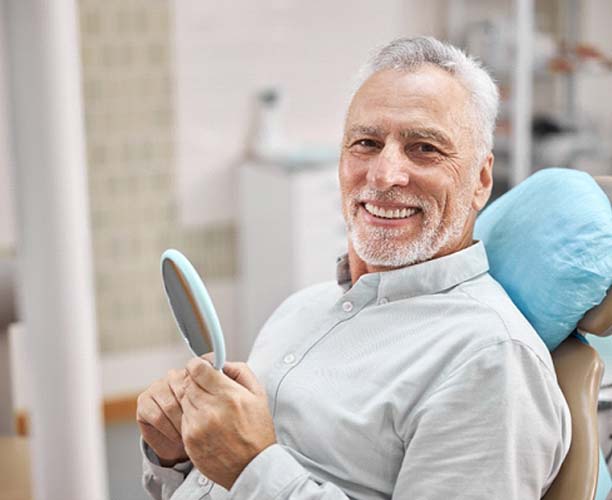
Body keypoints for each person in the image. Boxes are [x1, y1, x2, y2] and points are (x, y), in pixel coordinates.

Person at [137, 36, 571, 500]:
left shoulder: (490, 360)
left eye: (424, 148)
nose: (384, 175)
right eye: (366, 143)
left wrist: (253, 468)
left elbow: (249, 473)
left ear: (481, 179)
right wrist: (177, 457)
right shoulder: (300, 309)